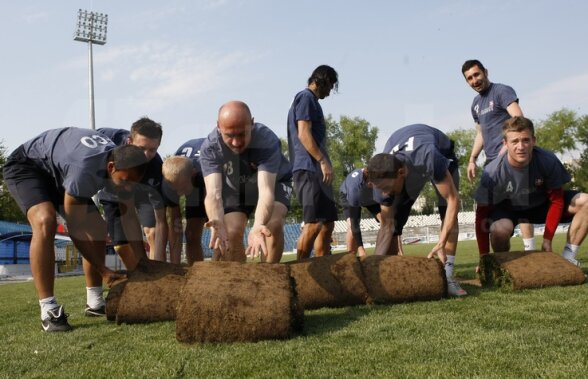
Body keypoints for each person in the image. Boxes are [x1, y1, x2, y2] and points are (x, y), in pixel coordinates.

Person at [3, 127, 148, 332]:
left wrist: (143, 265)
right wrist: (104, 270)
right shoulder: (85, 169)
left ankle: (95, 302)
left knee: (97, 226)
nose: (126, 189)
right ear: (111, 167)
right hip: (28, 166)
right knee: (46, 221)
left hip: (59, 170)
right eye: (124, 182)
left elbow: (128, 216)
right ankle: (48, 309)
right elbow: (75, 229)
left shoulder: (121, 164)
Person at [366, 124, 467, 297]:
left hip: (439, 153)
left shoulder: (429, 156)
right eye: (380, 188)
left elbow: (453, 201)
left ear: (401, 173)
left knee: (448, 213)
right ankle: (389, 275)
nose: (384, 193)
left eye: (386, 188)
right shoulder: (381, 177)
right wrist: (374, 268)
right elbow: (386, 226)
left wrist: (441, 241)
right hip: (406, 159)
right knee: (393, 222)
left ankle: (449, 275)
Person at [475, 116, 588, 266]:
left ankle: (569, 257)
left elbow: (557, 200)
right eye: (514, 141)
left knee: (586, 201)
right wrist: (483, 255)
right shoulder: (492, 173)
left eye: (525, 140)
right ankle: (502, 265)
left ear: (533, 141)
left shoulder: (547, 160)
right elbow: (481, 214)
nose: (521, 146)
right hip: (509, 210)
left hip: (542, 206)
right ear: (505, 144)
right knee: (499, 231)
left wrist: (547, 239)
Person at [200, 100, 292, 263]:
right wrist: (217, 218)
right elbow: (213, 193)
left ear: (252, 124)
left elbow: (265, 191)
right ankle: (238, 283)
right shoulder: (210, 148)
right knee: (231, 231)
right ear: (218, 127)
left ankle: (270, 278)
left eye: (242, 134)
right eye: (229, 136)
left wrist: (258, 225)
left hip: (273, 182)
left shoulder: (266, 141)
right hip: (238, 187)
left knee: (272, 225)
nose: (236, 143)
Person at [462, 59, 535, 255]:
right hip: (491, 163)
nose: (474, 80)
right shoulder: (475, 104)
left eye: (477, 74)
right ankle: (497, 258)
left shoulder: (502, 91)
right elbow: (481, 132)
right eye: (469, 78)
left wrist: (509, 151)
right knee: (487, 208)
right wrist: (472, 158)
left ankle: (531, 250)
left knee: (520, 200)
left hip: (510, 158)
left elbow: (519, 120)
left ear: (485, 72)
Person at [97, 118, 168, 264]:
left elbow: (161, 219)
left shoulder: (155, 167)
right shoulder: (110, 138)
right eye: (141, 148)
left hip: (142, 192)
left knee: (153, 232)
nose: (146, 155)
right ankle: (138, 274)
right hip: (115, 188)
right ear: (129, 142)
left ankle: (157, 271)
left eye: (153, 149)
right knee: (122, 246)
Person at [287, 65, 339, 260]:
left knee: (327, 223)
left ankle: (323, 265)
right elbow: (303, 133)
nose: (329, 91)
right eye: (330, 86)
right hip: (308, 168)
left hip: (317, 169)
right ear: (322, 81)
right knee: (314, 223)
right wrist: (322, 160)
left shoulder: (313, 102)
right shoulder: (306, 97)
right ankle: (301, 274)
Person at [161, 138, 207, 265]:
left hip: (215, 181)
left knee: (224, 227)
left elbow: (217, 203)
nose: (179, 193)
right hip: (193, 183)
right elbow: (175, 224)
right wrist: (175, 267)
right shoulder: (168, 185)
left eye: (182, 188)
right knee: (191, 235)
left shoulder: (206, 171)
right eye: (176, 191)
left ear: (192, 175)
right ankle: (196, 272)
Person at [339, 168, 383, 257]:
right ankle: (350, 257)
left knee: (384, 219)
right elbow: (354, 223)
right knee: (351, 226)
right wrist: (361, 248)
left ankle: (383, 251)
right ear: (367, 181)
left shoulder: (372, 178)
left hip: (366, 193)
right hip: (347, 196)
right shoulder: (354, 190)